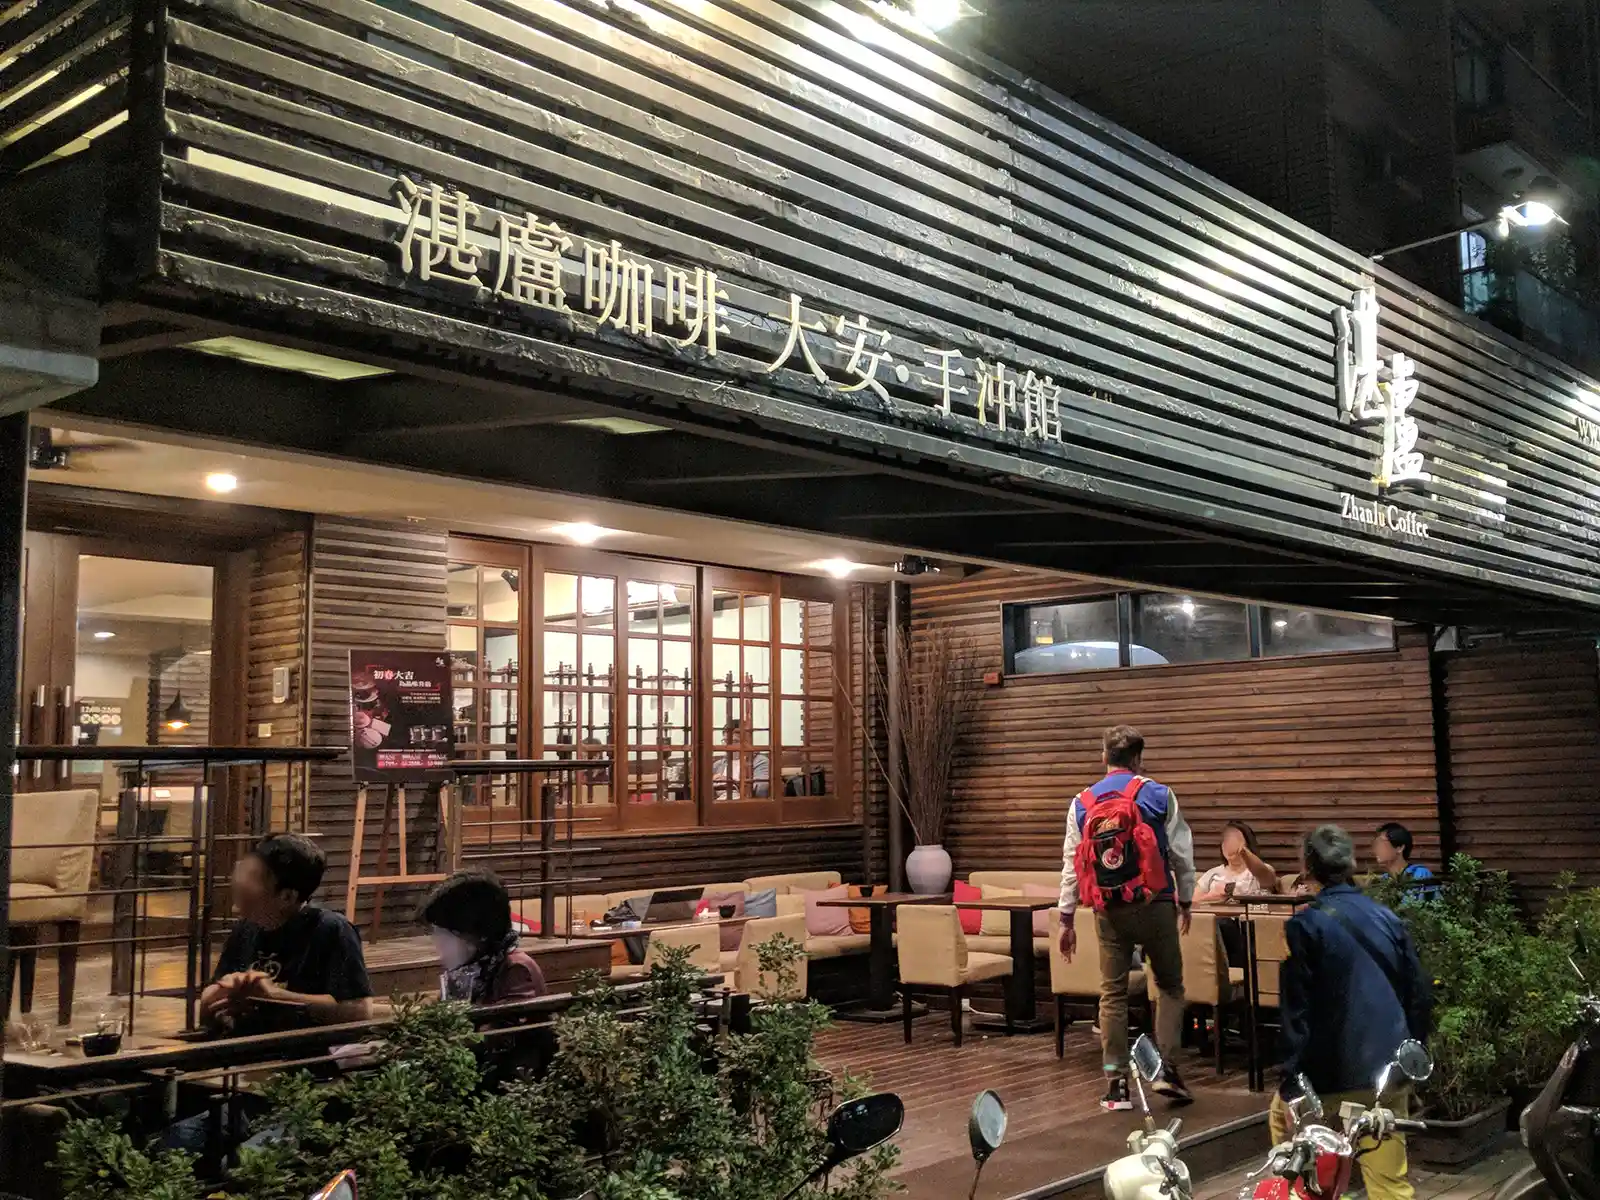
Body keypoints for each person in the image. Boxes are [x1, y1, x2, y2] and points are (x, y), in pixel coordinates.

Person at [1275, 825, 1433, 1200]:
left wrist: (1291, 1079)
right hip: (1388, 1070)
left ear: (1308, 868)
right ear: (1352, 864)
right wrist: (1412, 1057)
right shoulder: (1387, 919)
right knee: (1390, 1183)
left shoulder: (1305, 925)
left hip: (1328, 1073)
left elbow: (1296, 1012)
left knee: (1300, 1165)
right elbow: (1419, 994)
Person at [1059, 724, 1197, 1111]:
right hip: (1155, 903)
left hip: (1108, 908)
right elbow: (1182, 855)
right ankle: (1167, 1071)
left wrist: (1066, 919)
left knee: (1113, 991)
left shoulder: (1082, 801)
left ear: (1104, 757)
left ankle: (1116, 1085)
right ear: (1138, 758)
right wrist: (1185, 901)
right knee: (1169, 986)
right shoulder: (1158, 794)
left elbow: (1072, 864)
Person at [201, 833, 373, 1035]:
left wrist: (273, 995)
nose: (238, 882)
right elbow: (213, 996)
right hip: (245, 1053)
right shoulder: (244, 929)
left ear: (286, 897)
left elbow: (359, 1010)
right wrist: (221, 993)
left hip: (301, 1059)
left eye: (251, 876)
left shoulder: (331, 929)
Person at [420, 869, 547, 1004]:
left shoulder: (515, 970)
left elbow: (505, 1021)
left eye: (446, 935)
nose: (438, 944)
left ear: (478, 934)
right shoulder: (471, 970)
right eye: (436, 933)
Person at [1193, 820, 1279, 902]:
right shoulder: (1212, 873)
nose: (1230, 844)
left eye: (1235, 840)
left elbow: (1265, 877)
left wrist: (1243, 851)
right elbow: (1191, 903)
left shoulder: (1259, 870)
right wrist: (1209, 898)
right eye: (1226, 840)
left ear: (1247, 843)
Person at [1373, 823, 1437, 896]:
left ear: (1400, 848)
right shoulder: (1383, 881)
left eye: (1381, 843)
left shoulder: (1420, 875)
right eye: (1375, 844)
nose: (1376, 848)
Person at [714, 716, 770, 799]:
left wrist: (732, 783)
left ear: (747, 741)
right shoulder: (718, 765)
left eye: (734, 741)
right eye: (725, 741)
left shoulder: (760, 761)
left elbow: (761, 789)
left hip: (746, 806)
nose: (728, 746)